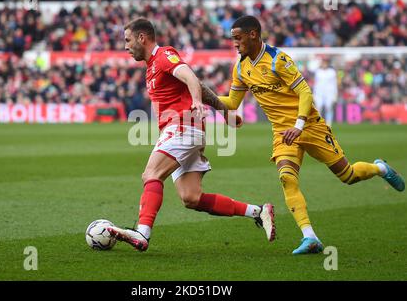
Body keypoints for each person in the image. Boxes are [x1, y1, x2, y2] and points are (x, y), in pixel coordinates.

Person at [213, 15, 405, 255]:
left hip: (310, 126)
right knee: (287, 178)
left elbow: (304, 91)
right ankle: (310, 237)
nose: (234, 43)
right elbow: (232, 102)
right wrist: (204, 96)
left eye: (237, 38)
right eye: (232, 39)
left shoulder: (277, 60)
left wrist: (299, 124)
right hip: (283, 134)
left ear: (253, 34)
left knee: (348, 175)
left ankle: (380, 169)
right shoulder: (241, 68)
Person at [107, 18, 276, 252]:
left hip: (183, 126)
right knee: (191, 198)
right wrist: (224, 112)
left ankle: (142, 233)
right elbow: (200, 85)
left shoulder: (164, 56)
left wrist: (196, 101)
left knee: (151, 174)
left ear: (142, 38)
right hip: (184, 130)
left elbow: (190, 77)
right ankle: (258, 211)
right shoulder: (151, 67)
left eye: (127, 40)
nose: (125, 46)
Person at [313, 59, 338, 126]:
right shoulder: (318, 71)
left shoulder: (332, 72)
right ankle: (319, 124)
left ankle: (329, 124)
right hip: (319, 92)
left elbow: (334, 84)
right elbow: (316, 84)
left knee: (328, 107)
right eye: (323, 63)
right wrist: (314, 94)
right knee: (319, 108)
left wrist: (335, 95)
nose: (324, 64)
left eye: (325, 63)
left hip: (329, 92)